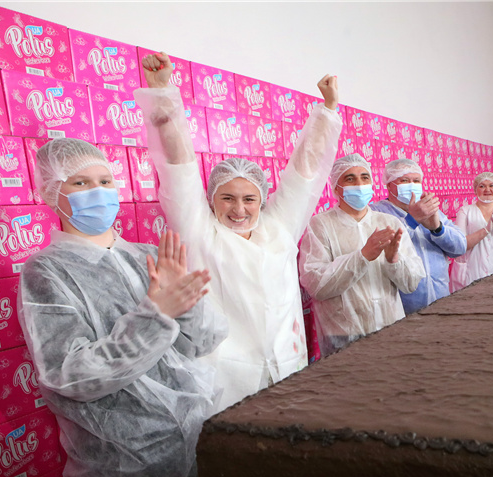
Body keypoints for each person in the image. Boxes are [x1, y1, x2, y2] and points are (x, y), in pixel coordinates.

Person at [18, 138, 227, 477]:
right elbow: (71, 374)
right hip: (115, 466)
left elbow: (204, 341)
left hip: (183, 449)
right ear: (52, 192)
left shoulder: (146, 255)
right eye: (80, 183)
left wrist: (185, 306)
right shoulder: (46, 273)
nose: (98, 191)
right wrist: (156, 313)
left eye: (105, 180)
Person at [135, 53, 342, 413]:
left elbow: (304, 170)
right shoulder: (199, 231)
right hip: (225, 378)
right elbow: (178, 166)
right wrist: (163, 93)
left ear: (262, 200)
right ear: (211, 200)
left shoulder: (279, 228)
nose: (239, 209)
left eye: (249, 199)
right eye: (227, 198)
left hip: (287, 365)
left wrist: (327, 110)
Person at [299, 154, 425, 356]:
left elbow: (411, 283)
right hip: (343, 336)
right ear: (336, 188)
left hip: (390, 327)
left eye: (365, 177)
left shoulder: (389, 223)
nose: (359, 184)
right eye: (350, 179)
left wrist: (393, 261)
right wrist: (362, 256)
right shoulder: (320, 225)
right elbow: (316, 284)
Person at [369, 158, 466, 313]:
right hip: (402, 308)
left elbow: (460, 247)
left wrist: (437, 228)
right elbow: (379, 251)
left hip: (441, 301)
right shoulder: (376, 213)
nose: (411, 185)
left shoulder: (432, 211)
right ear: (388, 184)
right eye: (404, 180)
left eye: (416, 181)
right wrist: (411, 221)